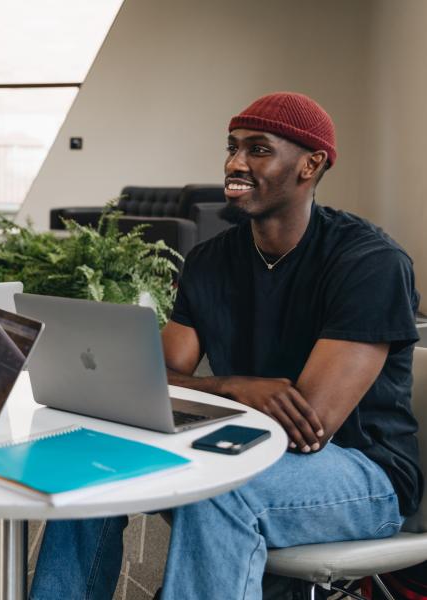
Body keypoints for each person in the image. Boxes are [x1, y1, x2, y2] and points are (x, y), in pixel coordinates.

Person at [157, 92, 422, 599]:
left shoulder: (369, 262)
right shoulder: (210, 260)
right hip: (239, 445)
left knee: (218, 489)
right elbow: (157, 381)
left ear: (310, 164)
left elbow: (310, 426)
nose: (235, 163)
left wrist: (203, 394)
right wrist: (234, 387)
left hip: (364, 471)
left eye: (258, 150)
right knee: (95, 463)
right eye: (232, 147)